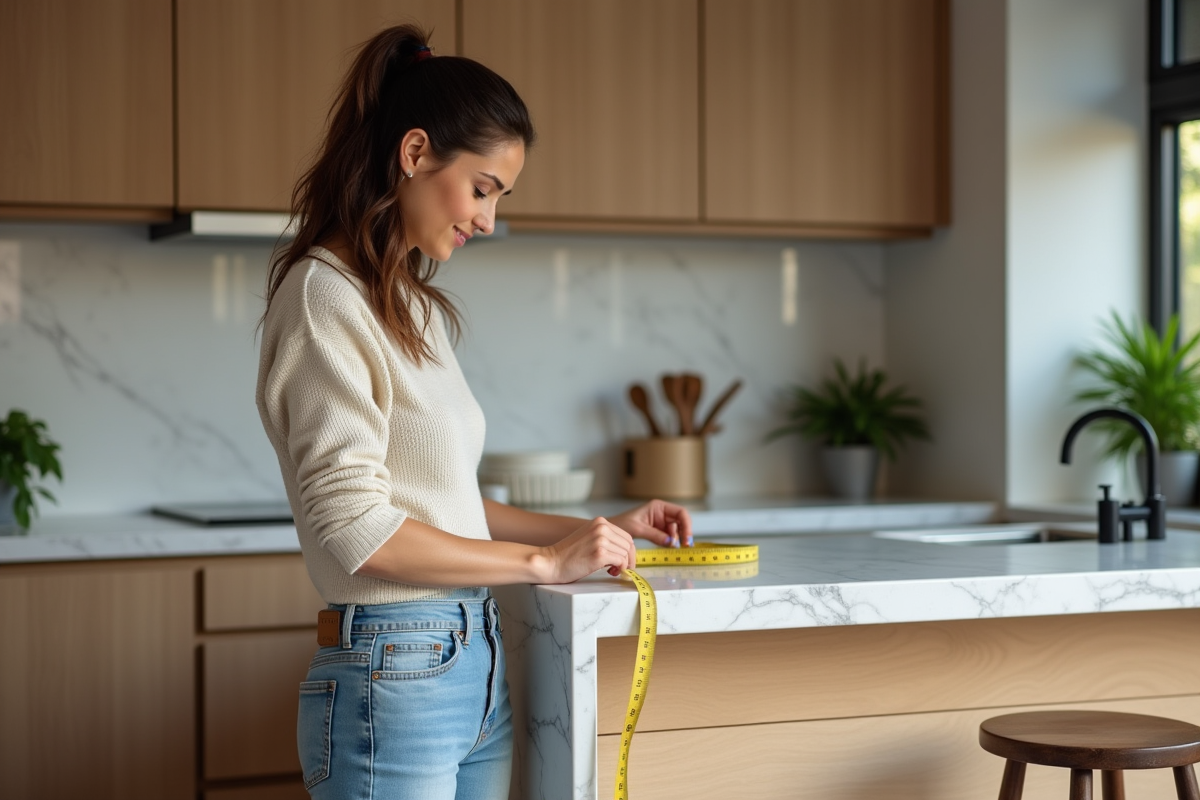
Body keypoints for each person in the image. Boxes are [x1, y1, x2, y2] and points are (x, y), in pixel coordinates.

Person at [255, 24, 693, 800]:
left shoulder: (411, 307)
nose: (488, 219)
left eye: (499, 198)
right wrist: (543, 565)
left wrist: (594, 530)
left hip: (471, 663)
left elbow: (448, 506)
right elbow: (357, 528)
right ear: (415, 153)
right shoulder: (323, 297)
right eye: (483, 188)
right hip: (394, 671)